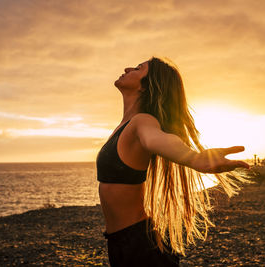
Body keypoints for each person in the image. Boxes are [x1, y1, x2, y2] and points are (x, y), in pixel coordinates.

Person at [96, 57, 250, 266]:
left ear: (146, 86)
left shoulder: (142, 122)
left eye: (138, 68)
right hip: (120, 242)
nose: (127, 68)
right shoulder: (124, 126)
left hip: (139, 245)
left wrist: (194, 159)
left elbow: (157, 139)